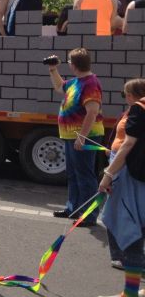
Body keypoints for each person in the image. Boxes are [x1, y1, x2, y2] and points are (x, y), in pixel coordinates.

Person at [96, 78, 145, 297]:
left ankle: (130, 296)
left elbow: (128, 144)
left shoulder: (140, 108)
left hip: (135, 180)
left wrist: (108, 174)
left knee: (130, 230)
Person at [48, 48, 104, 226]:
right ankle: (73, 208)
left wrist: (82, 138)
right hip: (71, 136)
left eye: (69, 62)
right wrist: (52, 69)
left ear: (74, 65)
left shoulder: (90, 83)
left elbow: (92, 112)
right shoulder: (75, 82)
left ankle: (88, 215)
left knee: (85, 175)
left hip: (85, 136)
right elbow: (59, 86)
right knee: (73, 174)